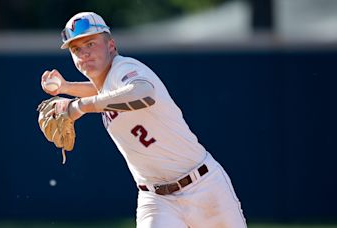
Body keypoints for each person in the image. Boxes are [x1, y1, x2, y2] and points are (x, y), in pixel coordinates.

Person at [41, 12, 247, 228]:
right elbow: (105, 90)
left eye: (91, 43)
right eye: (76, 49)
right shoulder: (110, 83)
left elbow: (142, 93)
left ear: (111, 46)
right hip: (156, 199)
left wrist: (79, 106)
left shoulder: (126, 68)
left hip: (203, 187)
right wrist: (67, 88)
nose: (84, 53)